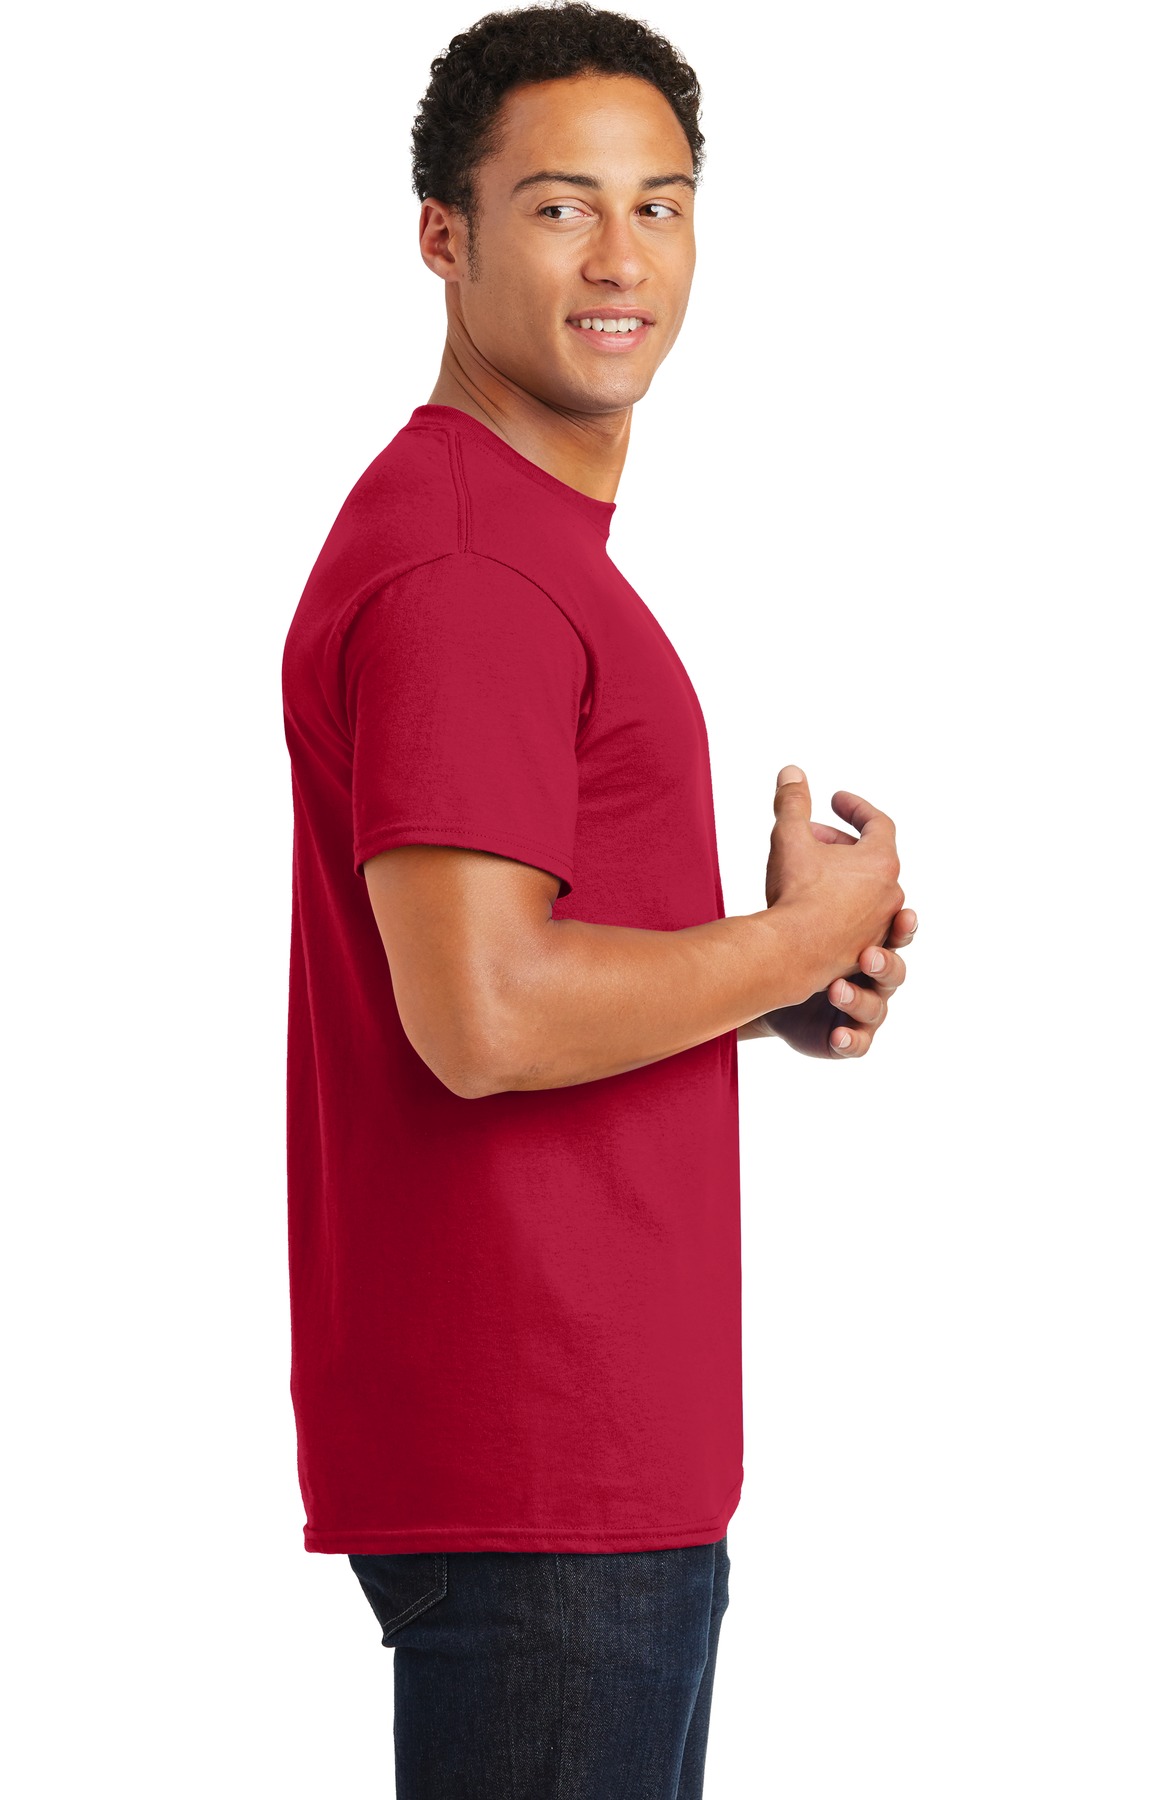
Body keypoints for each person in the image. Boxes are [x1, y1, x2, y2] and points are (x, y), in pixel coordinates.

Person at [280, 5, 917, 1795]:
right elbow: (482, 1017)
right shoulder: (472, 565)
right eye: (560, 206)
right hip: (542, 1458)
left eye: (663, 204)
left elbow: (513, 970)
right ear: (444, 236)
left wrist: (767, 988)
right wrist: (792, 936)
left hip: (577, 1458)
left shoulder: (510, 539)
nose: (623, 258)